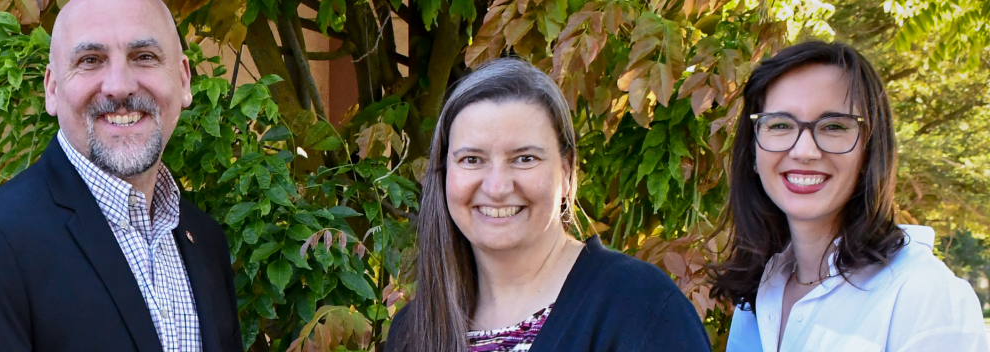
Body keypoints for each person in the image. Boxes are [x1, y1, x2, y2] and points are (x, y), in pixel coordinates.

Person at [0, 0, 241, 350]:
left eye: (144, 56)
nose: (119, 87)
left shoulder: (204, 239)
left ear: (183, 79)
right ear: (52, 90)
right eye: (91, 61)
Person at [385, 57, 711, 352]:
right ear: (444, 174)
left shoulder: (641, 308)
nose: (497, 187)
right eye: (472, 159)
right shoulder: (411, 332)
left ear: (566, 171)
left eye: (525, 158)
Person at [710, 41, 987, 352]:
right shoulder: (762, 292)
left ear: (870, 150)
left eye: (833, 126)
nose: (804, 151)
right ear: (753, 152)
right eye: (781, 124)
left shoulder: (924, 295)